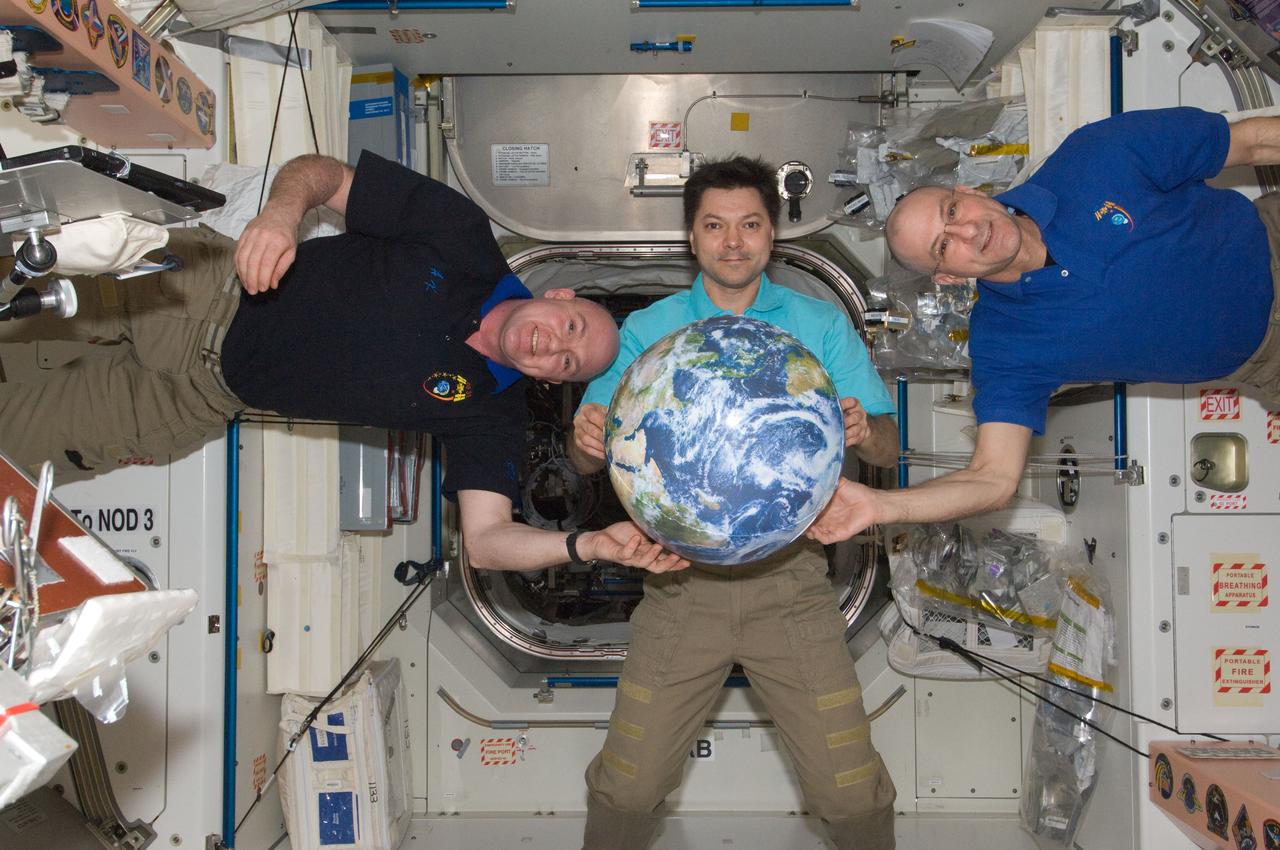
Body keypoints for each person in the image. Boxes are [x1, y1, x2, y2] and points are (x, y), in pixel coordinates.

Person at [0, 151, 688, 574]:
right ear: (559, 294)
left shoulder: (488, 416)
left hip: (194, 400)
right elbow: (323, 175)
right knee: (13, 294)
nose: (552, 347)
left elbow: (485, 542)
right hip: (192, 286)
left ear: (551, 383)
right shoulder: (460, 236)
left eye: (567, 365)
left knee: (11, 444)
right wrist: (279, 214)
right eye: (569, 326)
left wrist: (587, 548)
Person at [569, 156, 898, 850]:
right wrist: (588, 433)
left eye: (750, 224)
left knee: (850, 798)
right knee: (626, 789)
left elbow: (888, 451)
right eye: (714, 226)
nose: (733, 241)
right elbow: (585, 456)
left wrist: (869, 432)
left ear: (772, 236)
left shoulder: (819, 322)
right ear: (691, 237)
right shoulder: (650, 330)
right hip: (682, 589)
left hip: (794, 588)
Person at [807, 106, 1280, 544]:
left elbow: (1253, 143)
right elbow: (992, 478)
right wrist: (880, 504)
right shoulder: (1005, 347)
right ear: (948, 277)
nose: (969, 232)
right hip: (1269, 361)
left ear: (968, 191)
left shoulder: (1095, 156)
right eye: (943, 247)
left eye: (952, 212)